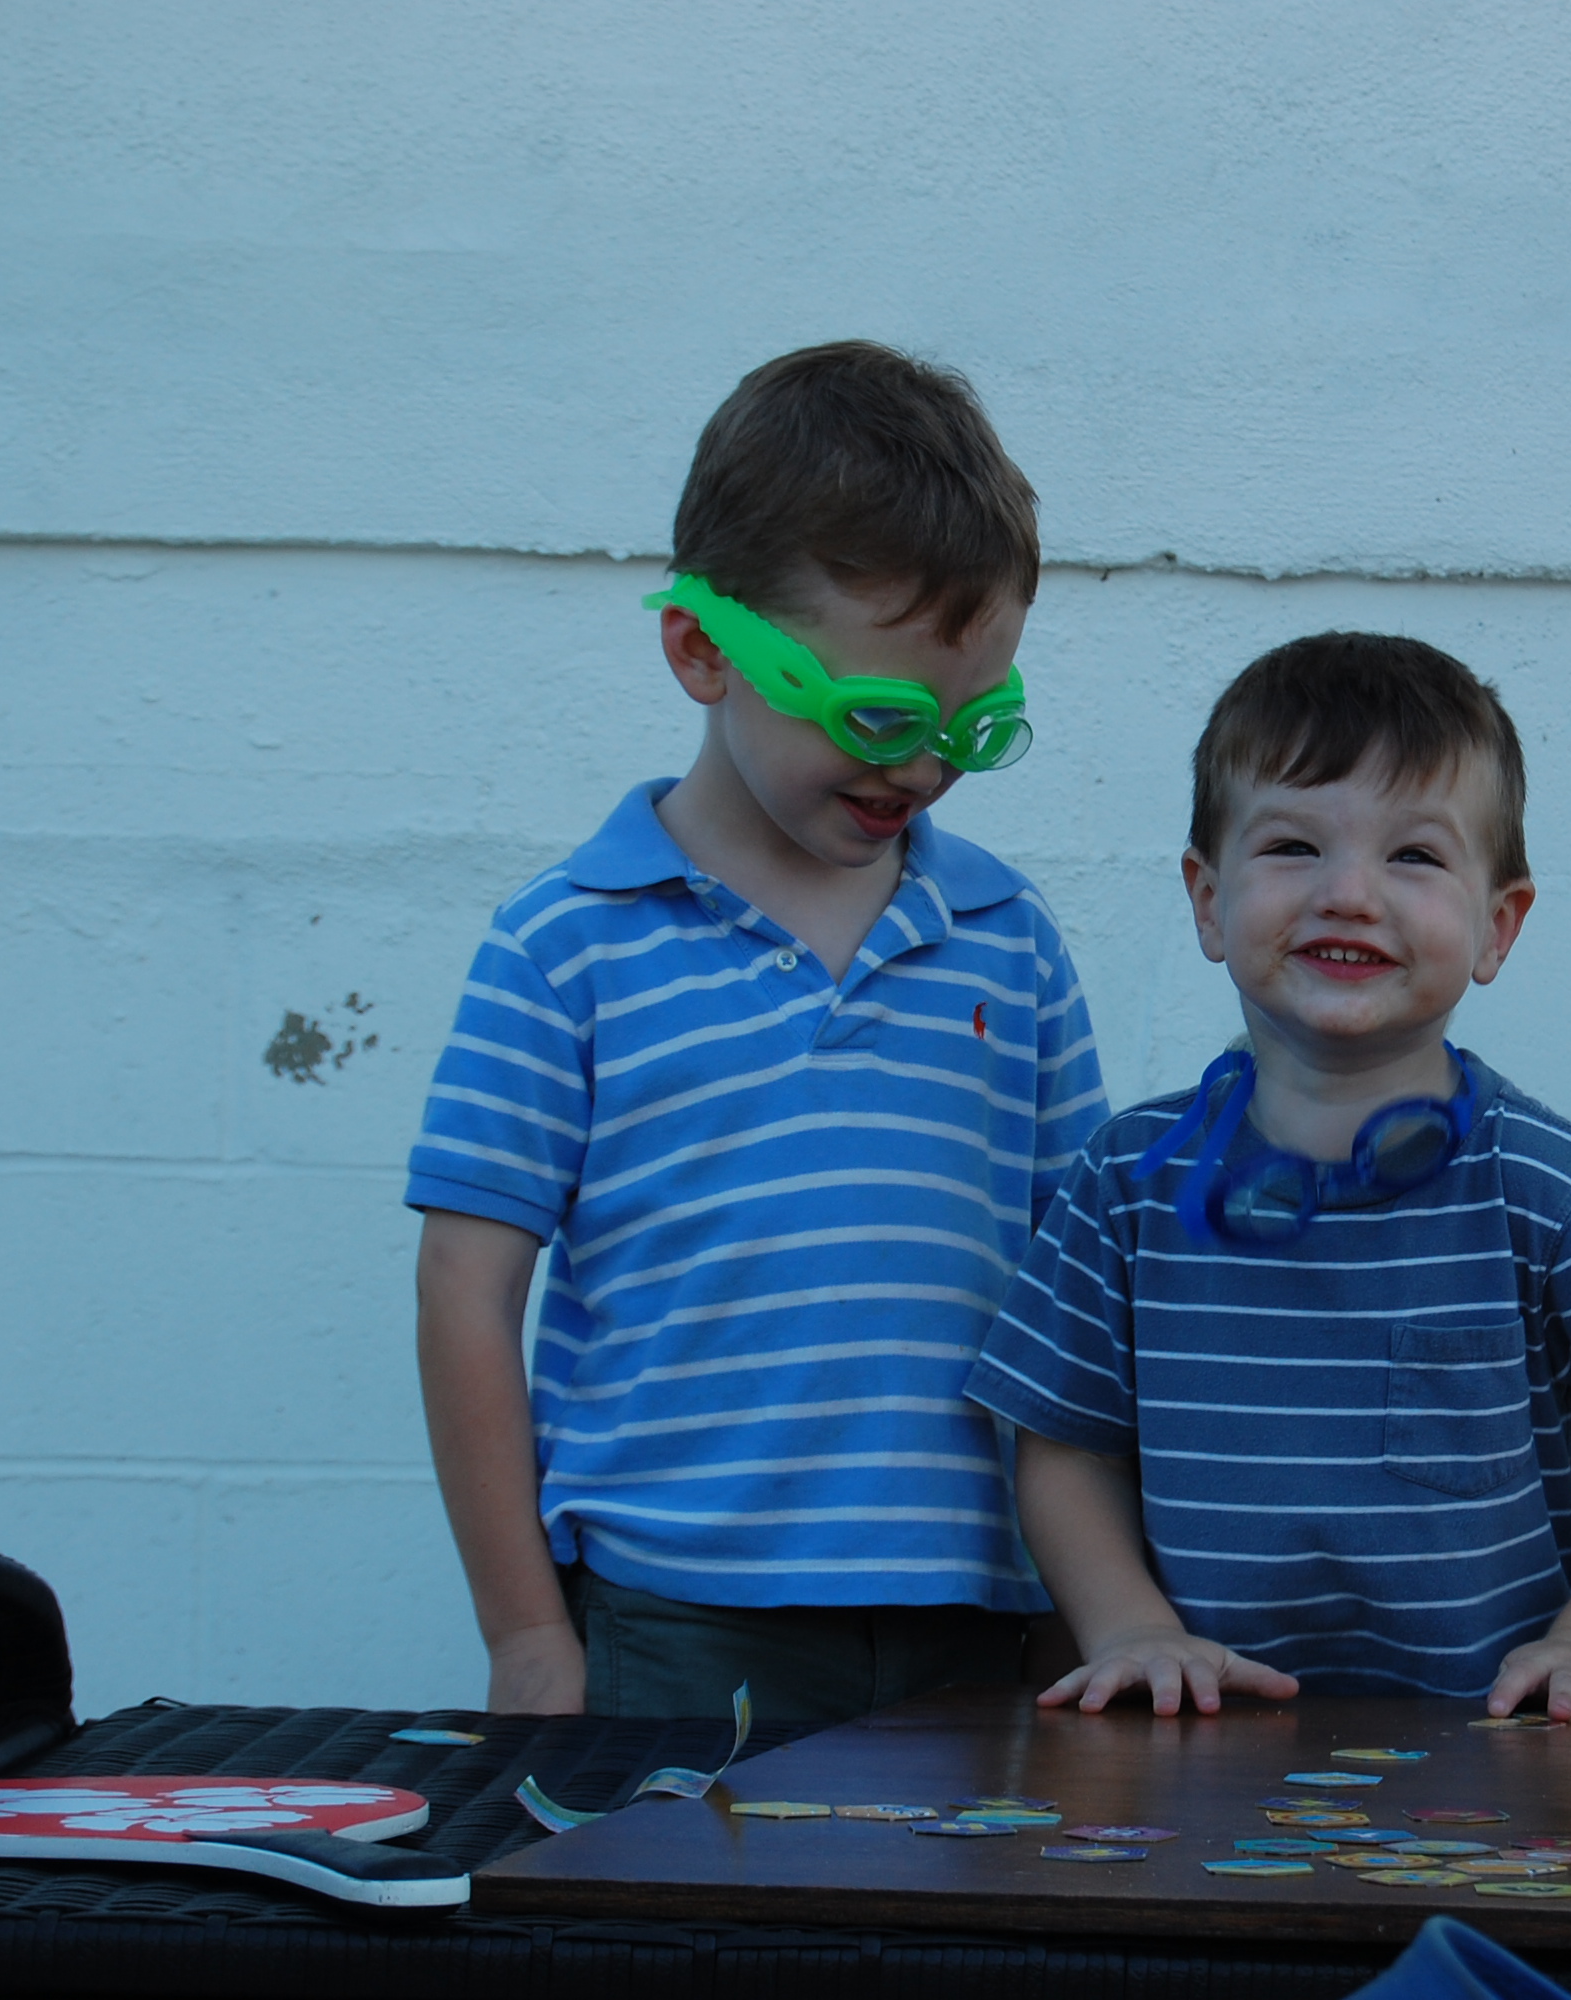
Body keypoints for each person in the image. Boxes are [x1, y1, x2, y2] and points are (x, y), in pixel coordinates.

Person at [406, 342, 1105, 1721]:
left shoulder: (1008, 940)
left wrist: (1087, 1608)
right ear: (702, 650)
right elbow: (464, 1296)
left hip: (974, 1624)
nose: (920, 766)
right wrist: (527, 1635)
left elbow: (1075, 1302)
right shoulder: (567, 948)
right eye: (876, 714)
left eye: (971, 725)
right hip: (673, 1621)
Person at [967, 632, 1571, 1722]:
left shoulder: (1540, 1184)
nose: (1348, 893)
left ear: (1497, 924)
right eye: (1293, 845)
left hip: (1492, 1753)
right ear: (1206, 898)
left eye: (1414, 857)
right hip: (1194, 1743)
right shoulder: (1128, 1184)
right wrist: (1129, 1628)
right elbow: (1064, 1441)